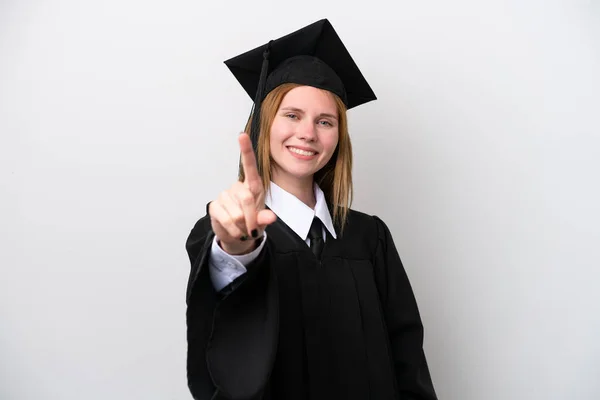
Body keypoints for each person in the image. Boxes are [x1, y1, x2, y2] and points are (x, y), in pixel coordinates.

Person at [185, 19, 438, 400]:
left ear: (339, 137)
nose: (308, 133)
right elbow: (220, 331)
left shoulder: (370, 238)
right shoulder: (224, 230)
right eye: (292, 115)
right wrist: (237, 251)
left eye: (325, 121)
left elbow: (408, 362)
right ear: (263, 123)